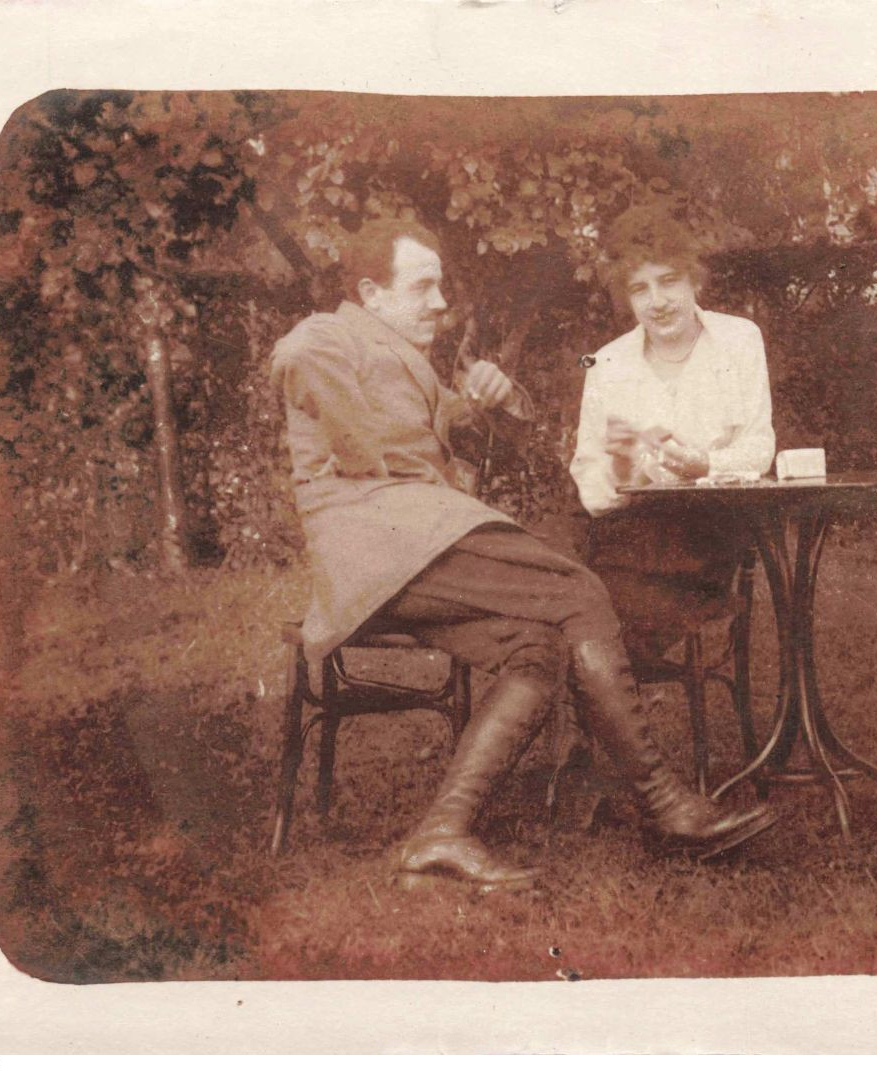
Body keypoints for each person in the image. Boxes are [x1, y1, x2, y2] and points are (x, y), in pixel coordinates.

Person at [269, 219, 775, 893]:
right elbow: (296, 360)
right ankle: (665, 803)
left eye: (438, 285)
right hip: (383, 543)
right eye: (422, 286)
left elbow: (444, 436)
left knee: (534, 648)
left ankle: (439, 835)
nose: (439, 301)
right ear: (371, 293)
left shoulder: (405, 359)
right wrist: (381, 449)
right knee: (577, 591)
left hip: (420, 540)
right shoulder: (329, 336)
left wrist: (495, 405)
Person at [569, 207, 775, 662]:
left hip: (704, 535)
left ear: (693, 282)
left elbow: (760, 448)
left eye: (668, 281)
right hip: (625, 533)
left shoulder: (739, 340)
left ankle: (590, 722)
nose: (657, 301)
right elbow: (590, 468)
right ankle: (598, 720)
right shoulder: (608, 363)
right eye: (640, 288)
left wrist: (708, 466)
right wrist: (616, 474)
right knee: (572, 613)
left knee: (590, 626)